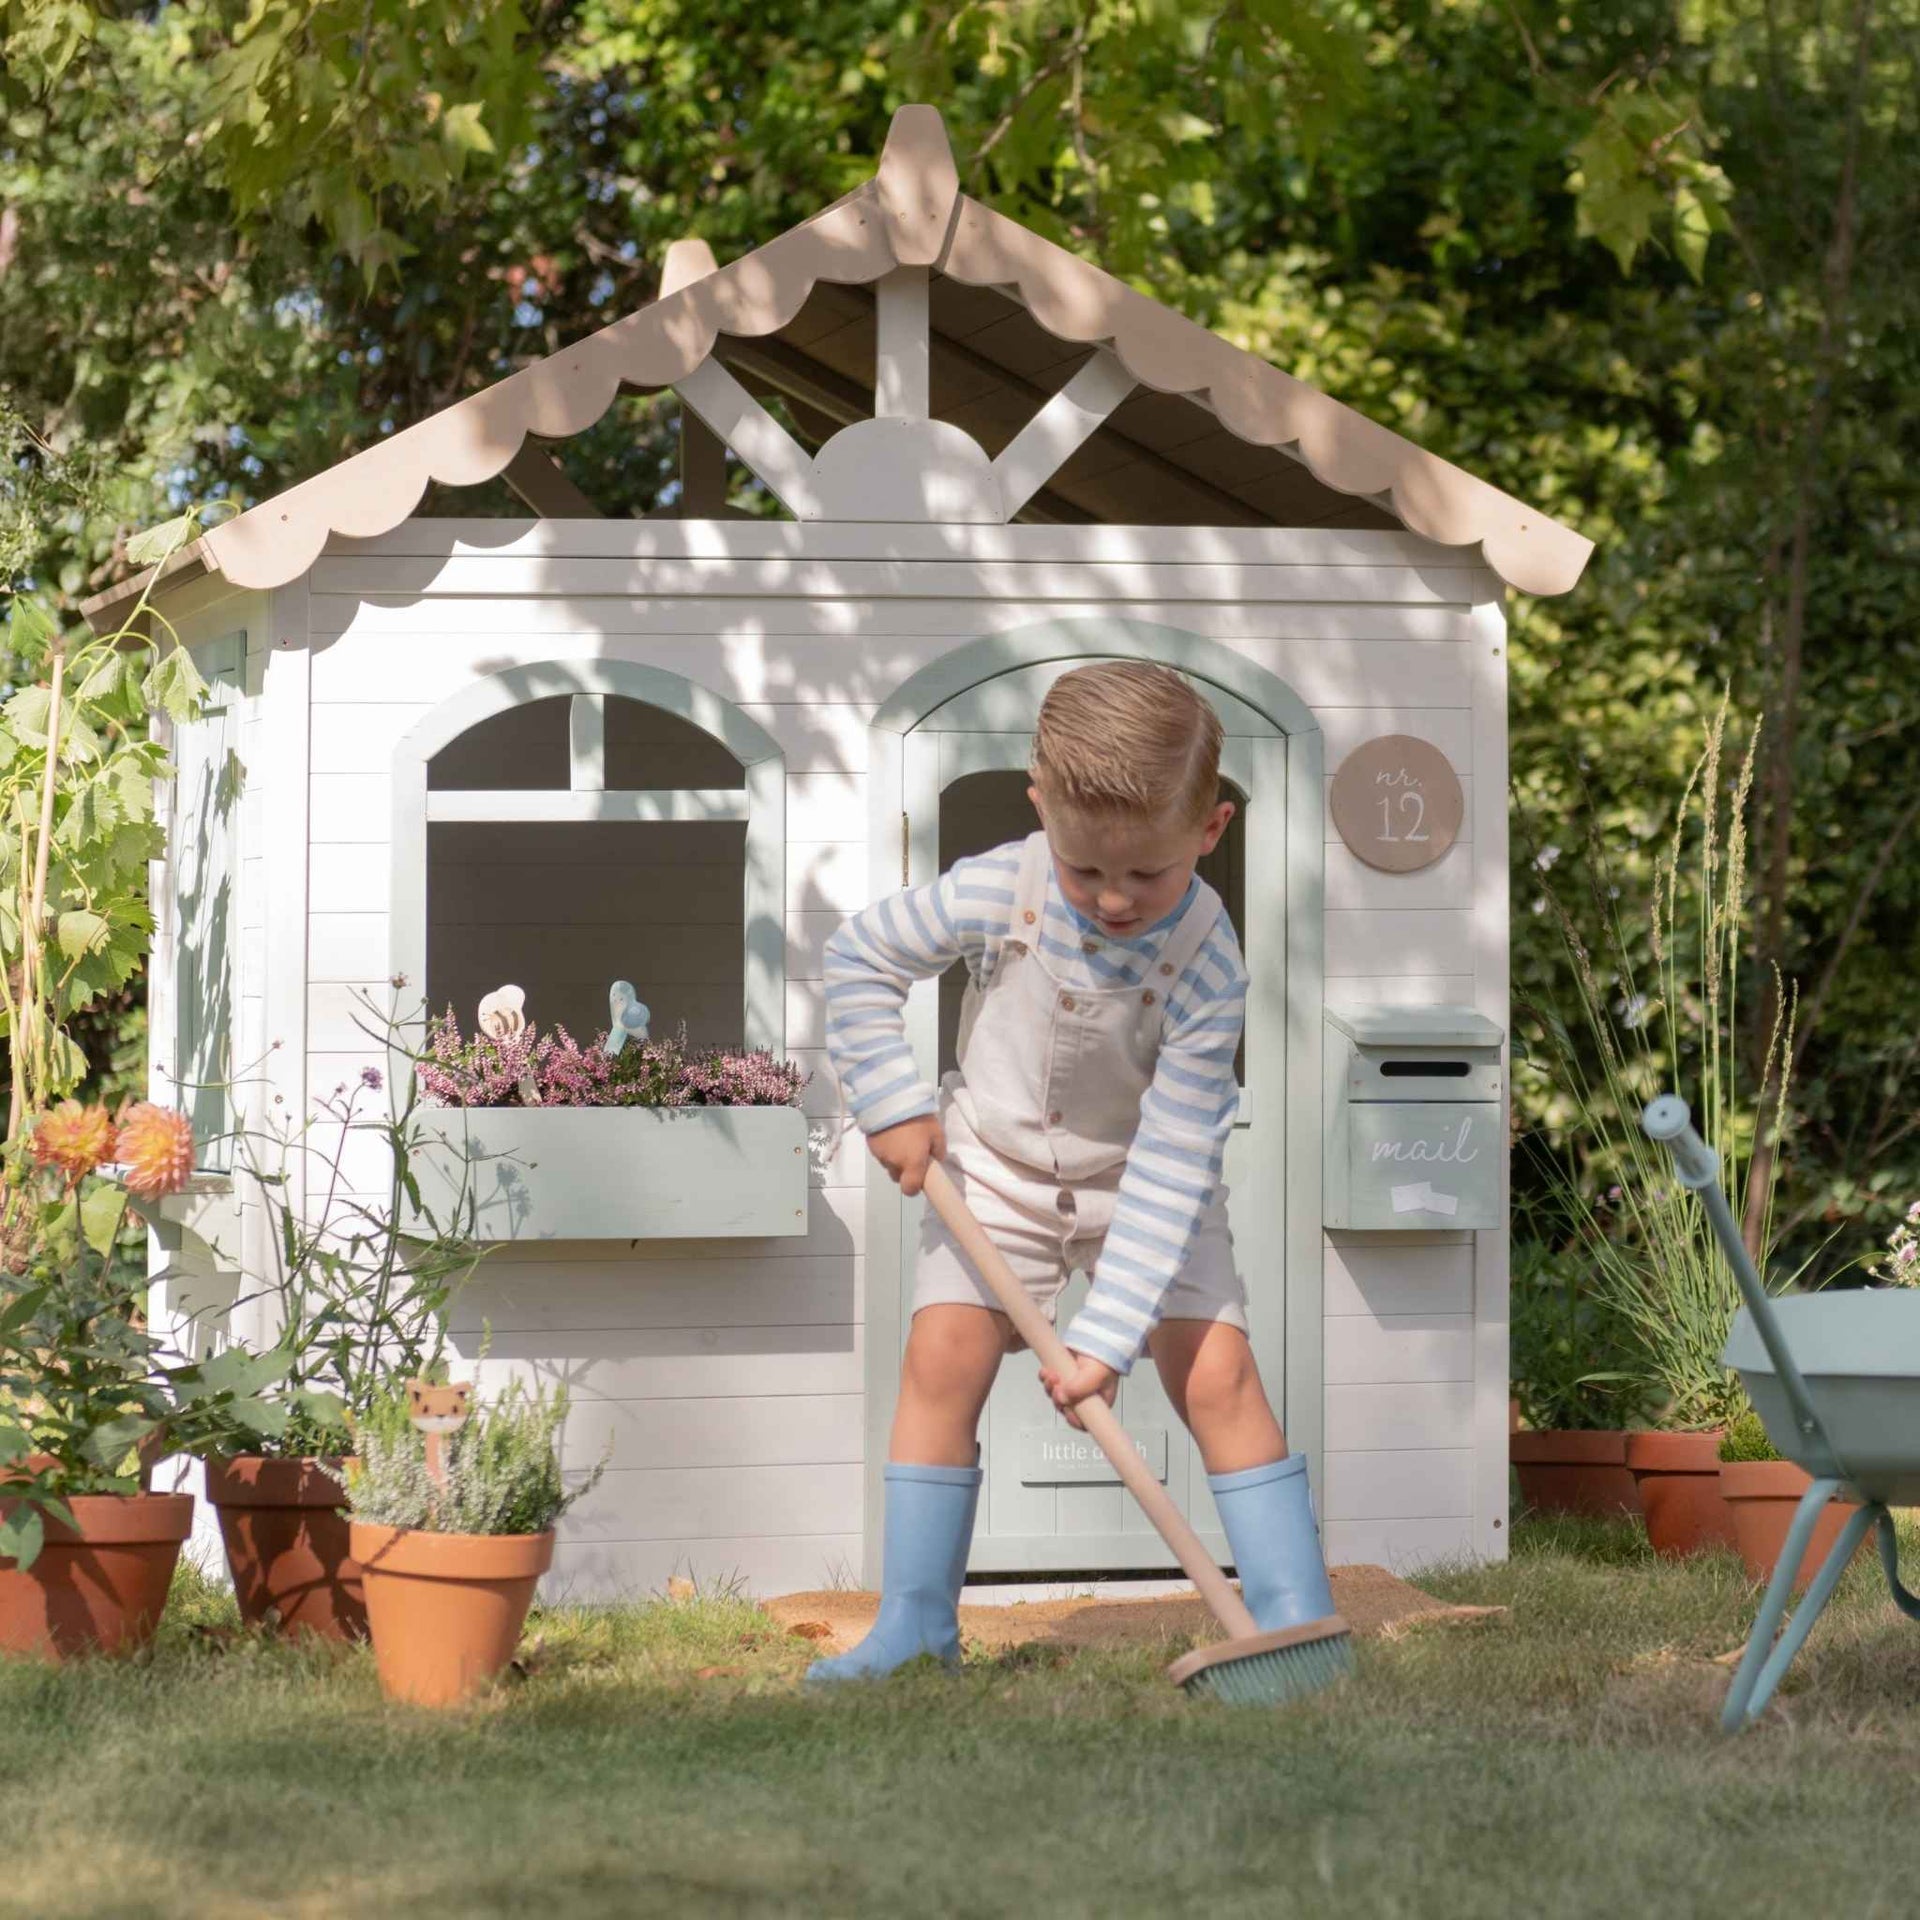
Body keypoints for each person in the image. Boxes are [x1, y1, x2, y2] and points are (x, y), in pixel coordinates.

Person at [807, 661, 1337, 1682]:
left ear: (1210, 832)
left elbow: (1181, 1152)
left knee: (1218, 1375)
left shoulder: (1210, 964)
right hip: (994, 1175)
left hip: (1151, 1183)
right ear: (1041, 805)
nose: (1112, 898)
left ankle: (1295, 1625)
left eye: (1148, 875)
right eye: (1087, 868)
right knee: (941, 1361)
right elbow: (862, 959)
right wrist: (893, 1102)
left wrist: (1106, 1337)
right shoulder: (1000, 886)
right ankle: (917, 1628)